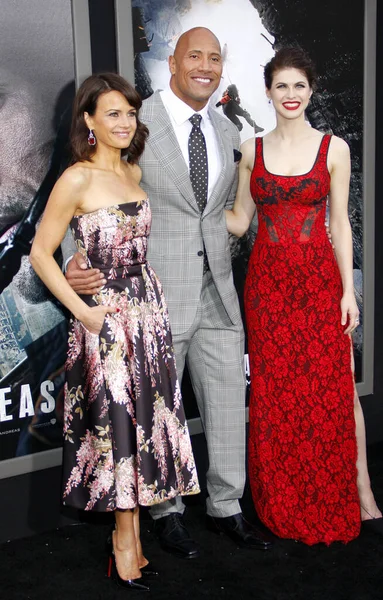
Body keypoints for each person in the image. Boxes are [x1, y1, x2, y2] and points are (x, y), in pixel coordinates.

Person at [64, 28, 272, 557]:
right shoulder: (138, 121)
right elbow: (88, 182)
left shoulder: (228, 131)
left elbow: (222, 213)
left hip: (219, 291)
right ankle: (167, 512)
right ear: (173, 63)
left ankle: (228, 506)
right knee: (158, 410)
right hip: (154, 297)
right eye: (194, 56)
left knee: (227, 403)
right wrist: (73, 256)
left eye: (214, 59)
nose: (205, 66)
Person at [30, 73, 200, 589]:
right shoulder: (76, 179)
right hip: (104, 320)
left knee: (144, 424)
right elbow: (40, 253)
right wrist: (83, 313)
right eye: (112, 113)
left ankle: (134, 540)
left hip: (147, 313)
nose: (124, 122)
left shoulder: (134, 170)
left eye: (129, 112)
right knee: (119, 426)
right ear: (88, 121)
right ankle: (124, 545)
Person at [225, 46, 383, 545]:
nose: (291, 95)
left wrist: (348, 291)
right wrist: (184, 209)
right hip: (267, 290)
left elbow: (340, 222)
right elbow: (239, 221)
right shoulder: (252, 150)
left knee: (335, 389)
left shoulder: (334, 148)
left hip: (319, 286)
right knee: (276, 394)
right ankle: (281, 497)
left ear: (311, 91)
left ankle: (361, 492)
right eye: (281, 86)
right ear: (268, 92)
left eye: (299, 86)